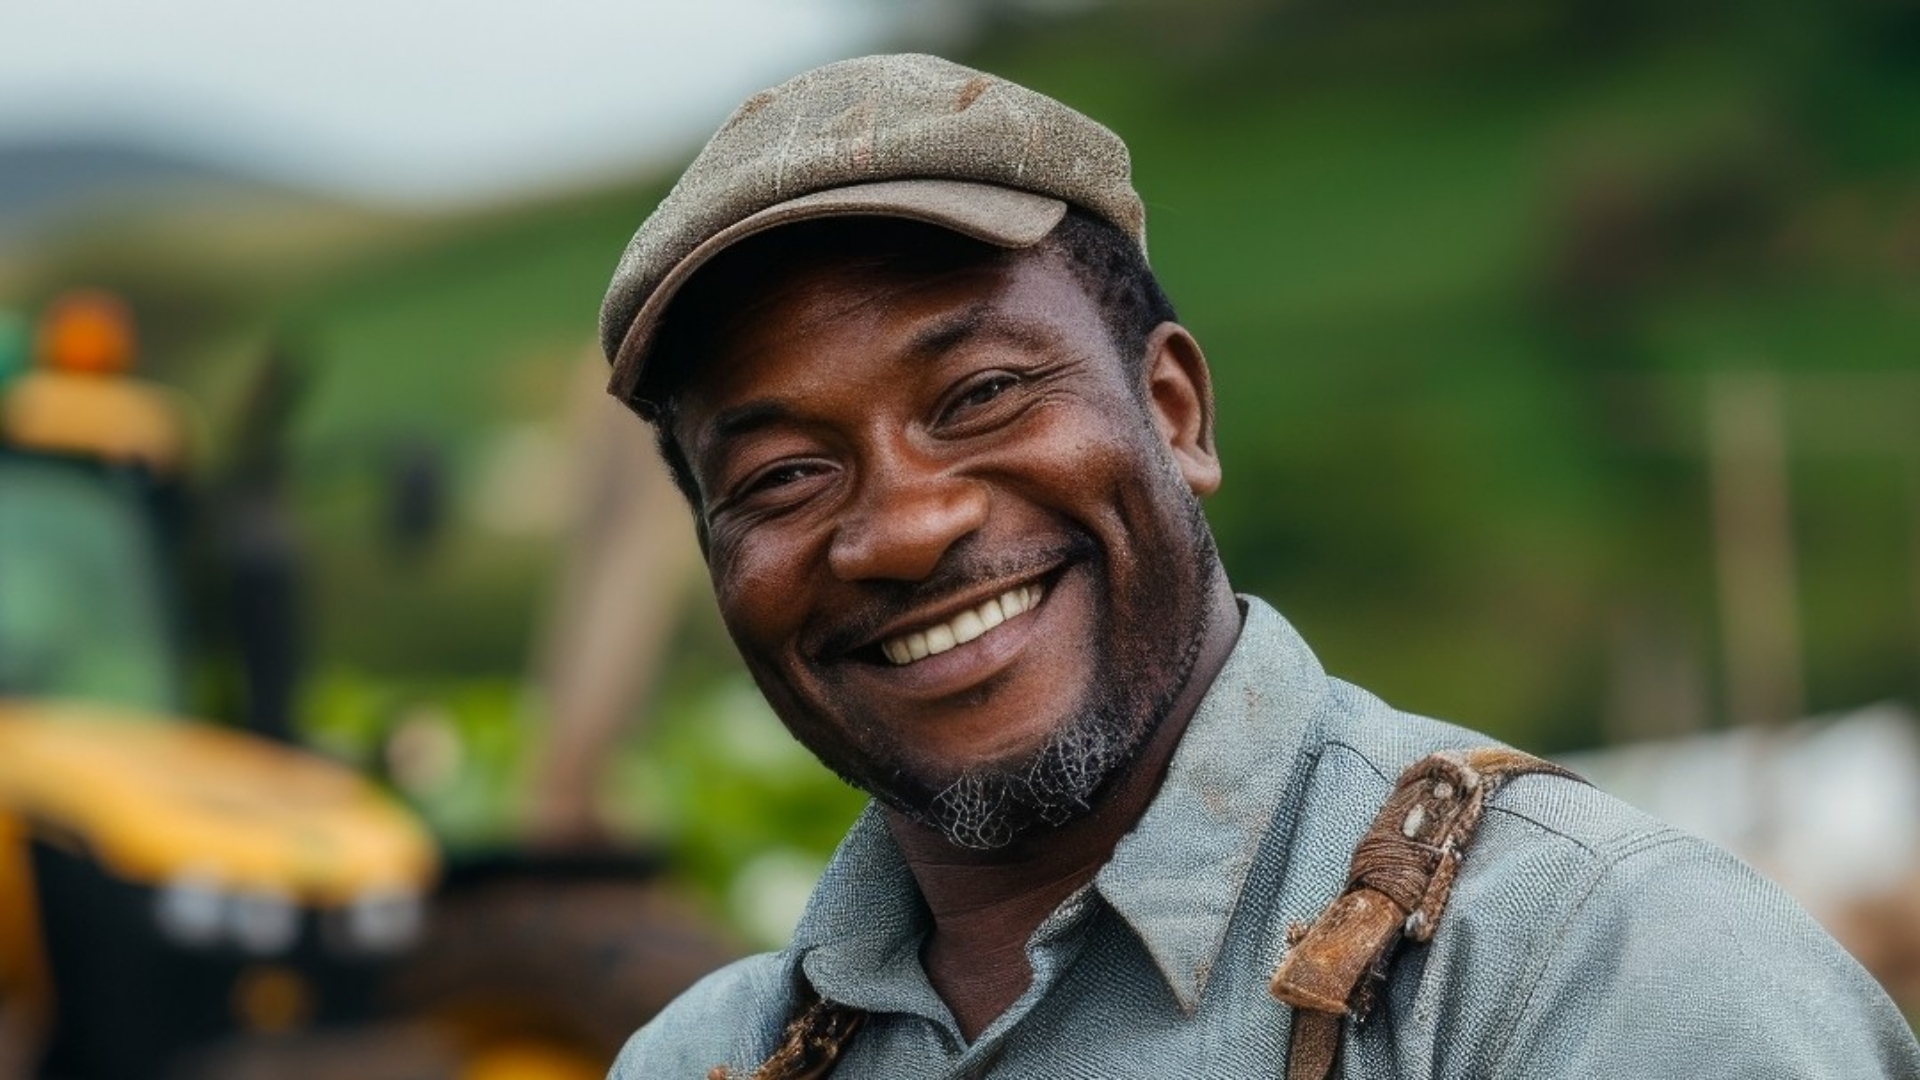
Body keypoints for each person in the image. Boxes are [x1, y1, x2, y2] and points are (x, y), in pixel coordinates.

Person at [596, 54, 1920, 1077]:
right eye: (780, 477)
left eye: (985, 391)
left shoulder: (1588, 974)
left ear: (1175, 413)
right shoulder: (700, 1059)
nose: (900, 527)